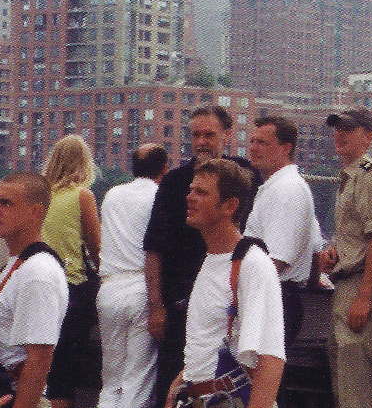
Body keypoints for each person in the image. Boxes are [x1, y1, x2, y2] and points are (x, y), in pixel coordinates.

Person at [144, 106, 257, 407]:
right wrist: (155, 307)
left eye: (210, 134)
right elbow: (153, 247)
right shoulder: (173, 184)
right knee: (172, 384)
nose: (202, 142)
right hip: (180, 301)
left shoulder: (246, 178)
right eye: (196, 135)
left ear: (227, 135)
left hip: (228, 302)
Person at [165, 158, 285, 408]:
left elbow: (270, 360)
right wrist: (178, 387)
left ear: (230, 206)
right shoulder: (210, 259)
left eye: (201, 192)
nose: (190, 197)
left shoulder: (253, 264)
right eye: (191, 189)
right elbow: (206, 342)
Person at [317, 108, 372, 408]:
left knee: (355, 397)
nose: (339, 134)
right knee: (345, 390)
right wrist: (337, 252)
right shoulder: (350, 178)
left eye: (348, 129)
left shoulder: (369, 177)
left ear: (368, 137)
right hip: (348, 286)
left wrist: (363, 298)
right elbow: (361, 236)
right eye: (337, 129)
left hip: (363, 289)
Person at [0, 172, 71, 408]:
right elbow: (4, 349)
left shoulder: (37, 273)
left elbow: (39, 359)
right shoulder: (17, 266)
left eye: (6, 203)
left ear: (35, 212)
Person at [97, 144, 169, 408]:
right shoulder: (160, 196)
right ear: (164, 168)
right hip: (141, 288)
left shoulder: (112, 195)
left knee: (111, 380)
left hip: (108, 289)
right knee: (138, 381)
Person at [243, 116, 320, 350]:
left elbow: (276, 261)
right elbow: (316, 247)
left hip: (274, 300)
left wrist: (237, 298)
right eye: (252, 141)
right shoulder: (279, 186)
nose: (253, 148)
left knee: (264, 383)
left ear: (286, 148)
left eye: (262, 143)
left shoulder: (286, 190)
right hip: (276, 299)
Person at [40, 136, 102, 408]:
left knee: (47, 367)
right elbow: (97, 248)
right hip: (71, 287)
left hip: (42, 284)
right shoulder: (82, 195)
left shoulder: (41, 195)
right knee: (65, 370)